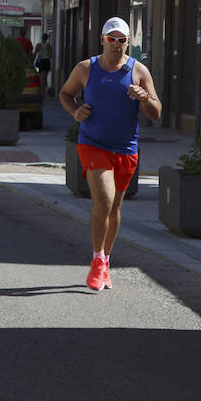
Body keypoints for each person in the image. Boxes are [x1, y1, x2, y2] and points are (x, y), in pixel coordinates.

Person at [57, 17, 162, 291]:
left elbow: (156, 113)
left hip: (126, 147)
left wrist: (145, 98)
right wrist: (74, 111)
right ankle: (96, 260)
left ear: (129, 42)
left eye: (122, 40)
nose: (116, 45)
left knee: (115, 207)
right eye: (111, 39)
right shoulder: (85, 69)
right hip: (93, 143)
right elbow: (66, 94)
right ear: (102, 40)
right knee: (103, 200)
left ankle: (105, 259)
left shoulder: (138, 71)